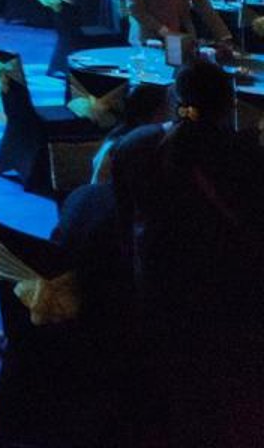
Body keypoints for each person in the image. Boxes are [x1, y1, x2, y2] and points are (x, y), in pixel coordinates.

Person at [108, 59, 264, 444]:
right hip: (228, 290)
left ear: (175, 97)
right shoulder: (246, 155)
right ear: (230, 104)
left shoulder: (132, 147)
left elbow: (123, 225)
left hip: (157, 282)